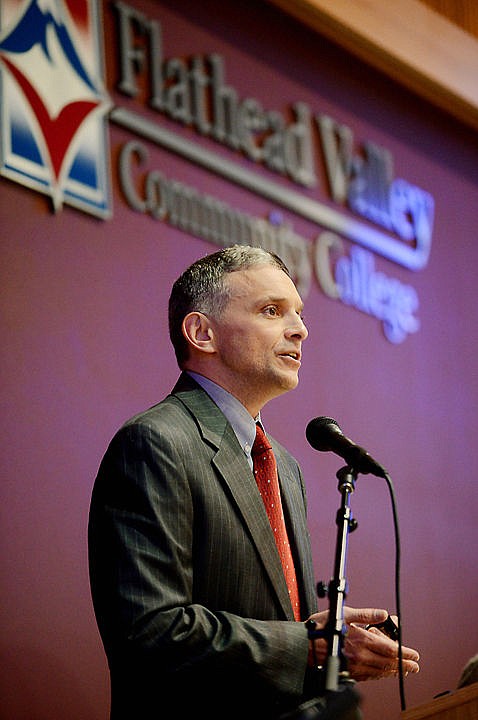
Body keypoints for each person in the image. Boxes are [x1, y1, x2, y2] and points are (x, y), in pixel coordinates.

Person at [88, 245, 420, 720]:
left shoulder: (284, 465)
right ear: (202, 333)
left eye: (299, 314)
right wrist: (309, 645)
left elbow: (288, 639)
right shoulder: (155, 442)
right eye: (271, 311)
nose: (300, 329)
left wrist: (337, 652)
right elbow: (151, 631)